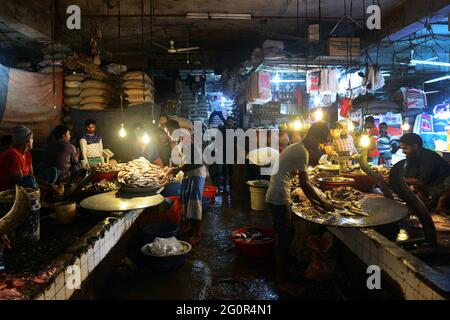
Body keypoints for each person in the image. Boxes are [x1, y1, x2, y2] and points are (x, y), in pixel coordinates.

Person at [266, 121, 334, 293]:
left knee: (285, 234)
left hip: (275, 196)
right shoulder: (302, 151)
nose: (320, 147)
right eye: (320, 142)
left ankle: (281, 270)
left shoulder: (296, 147)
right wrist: (323, 202)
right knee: (284, 239)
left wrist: (315, 203)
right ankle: (281, 279)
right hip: (279, 198)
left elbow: (297, 177)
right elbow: (305, 184)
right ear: (314, 136)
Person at [166, 119, 206, 246]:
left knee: (194, 203)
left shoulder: (186, 138)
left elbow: (194, 161)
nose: (168, 134)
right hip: (189, 174)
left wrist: (177, 170)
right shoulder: (181, 140)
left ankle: (197, 234)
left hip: (196, 173)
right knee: (187, 201)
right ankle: (189, 228)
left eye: (169, 131)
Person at [400, 133, 450, 209]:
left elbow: (420, 181)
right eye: (402, 148)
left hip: (443, 184)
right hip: (430, 184)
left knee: (427, 207)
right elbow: (407, 175)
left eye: (405, 148)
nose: (403, 151)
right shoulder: (410, 156)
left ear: (415, 146)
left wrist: (399, 180)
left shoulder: (429, 157)